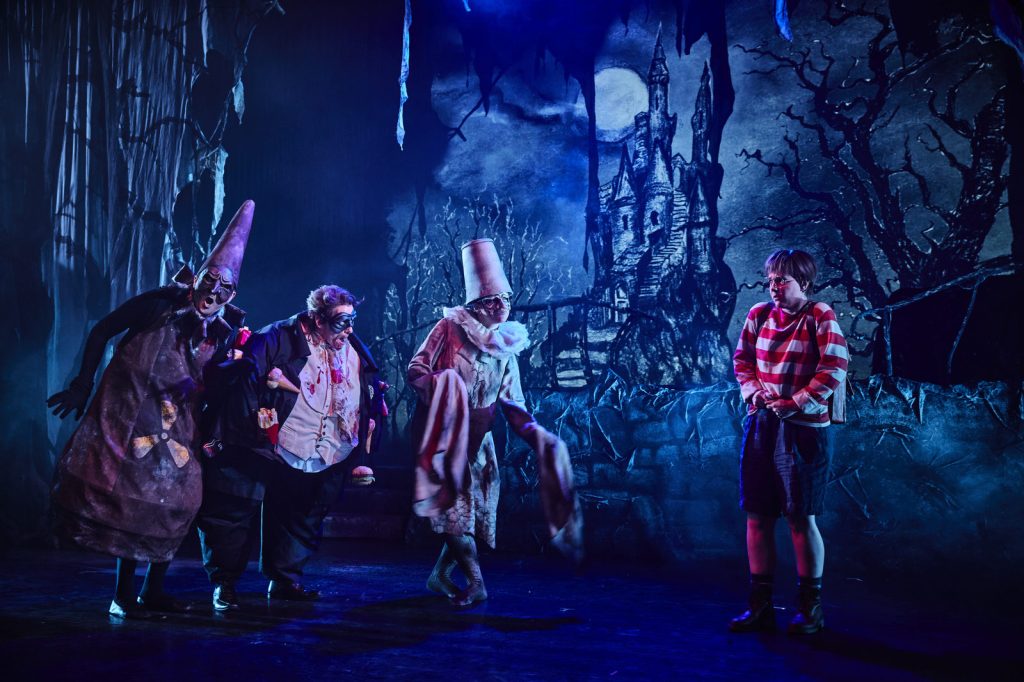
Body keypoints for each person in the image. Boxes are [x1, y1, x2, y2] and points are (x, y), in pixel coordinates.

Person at [48, 200, 255, 619]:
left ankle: (152, 591)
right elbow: (103, 329)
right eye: (210, 281)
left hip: (178, 425)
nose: (213, 293)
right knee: (134, 500)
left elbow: (207, 382)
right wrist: (82, 385)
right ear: (198, 276)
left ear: (232, 295)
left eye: (224, 288)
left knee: (181, 500)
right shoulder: (160, 305)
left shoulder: (222, 332)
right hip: (131, 416)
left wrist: (231, 376)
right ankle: (122, 595)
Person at [408, 238, 581, 608]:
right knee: (454, 515)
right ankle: (476, 583)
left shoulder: (505, 345)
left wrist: (538, 436)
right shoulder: (448, 329)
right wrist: (445, 389)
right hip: (446, 438)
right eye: (492, 300)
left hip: (480, 443)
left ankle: (440, 575)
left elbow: (513, 402)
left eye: (505, 299)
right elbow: (417, 369)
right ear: (475, 304)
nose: (501, 306)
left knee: (470, 516)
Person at [196, 284, 386, 610]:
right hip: (267, 443)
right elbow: (244, 383)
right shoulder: (275, 338)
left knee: (301, 515)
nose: (349, 330)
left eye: (352, 321)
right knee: (233, 511)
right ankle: (224, 584)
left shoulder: (353, 347)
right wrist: (252, 433)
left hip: (323, 450)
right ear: (317, 319)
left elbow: (368, 393)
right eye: (341, 322)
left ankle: (285, 579)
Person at [730, 248, 849, 635]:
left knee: (800, 517)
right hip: (762, 426)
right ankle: (761, 607)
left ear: (804, 282)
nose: (774, 286)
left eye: (782, 280)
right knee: (757, 515)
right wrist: (755, 393)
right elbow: (742, 361)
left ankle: (810, 610)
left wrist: (796, 402)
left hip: (804, 431)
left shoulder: (819, 315)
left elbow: (834, 366)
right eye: (771, 280)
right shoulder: (758, 315)